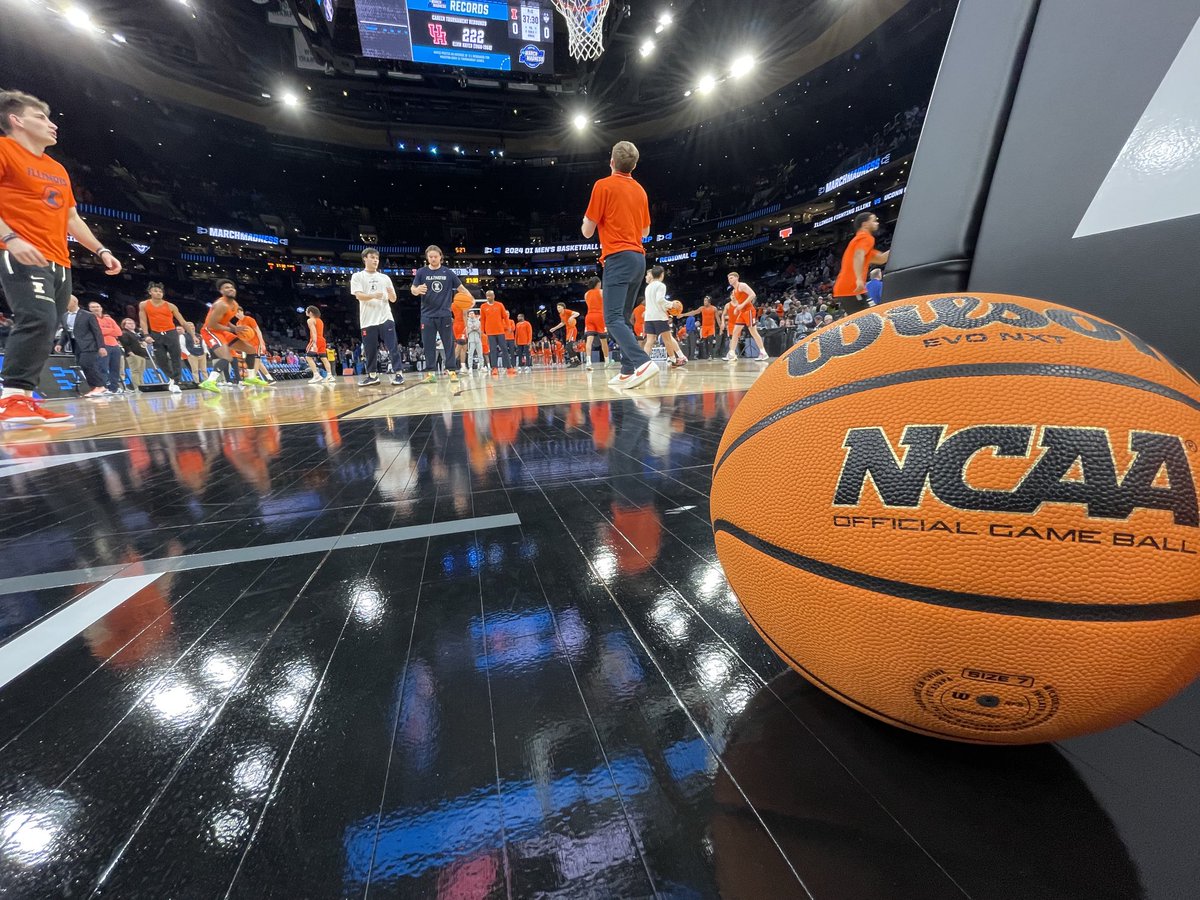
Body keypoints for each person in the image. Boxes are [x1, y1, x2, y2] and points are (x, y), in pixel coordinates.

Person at [0, 90, 121, 423]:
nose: (52, 125)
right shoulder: (4, 150)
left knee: (49, 324)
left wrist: (101, 249)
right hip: (19, 250)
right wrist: (10, 238)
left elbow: (71, 219)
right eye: (40, 117)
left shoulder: (56, 168)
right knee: (35, 318)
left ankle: (25, 397)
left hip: (59, 260)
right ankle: (10, 397)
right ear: (16, 120)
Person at [581, 140, 658, 389]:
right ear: (634, 165)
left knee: (612, 318)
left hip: (617, 257)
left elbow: (587, 231)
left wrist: (588, 219)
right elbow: (645, 230)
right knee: (623, 317)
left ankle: (642, 362)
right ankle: (627, 371)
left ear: (611, 161)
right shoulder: (641, 190)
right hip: (638, 259)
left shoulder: (602, 186)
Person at [198, 281, 270, 393]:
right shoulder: (221, 305)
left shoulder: (234, 305)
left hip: (222, 331)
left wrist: (234, 329)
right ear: (221, 291)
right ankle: (209, 381)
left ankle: (250, 378)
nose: (231, 289)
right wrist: (233, 329)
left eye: (232, 287)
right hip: (210, 331)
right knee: (227, 357)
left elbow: (225, 322)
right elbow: (212, 324)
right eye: (227, 288)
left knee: (251, 350)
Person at [350, 248, 404, 387]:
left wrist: (392, 294)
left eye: (377, 258)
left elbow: (393, 299)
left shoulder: (384, 278)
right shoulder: (358, 276)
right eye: (372, 257)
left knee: (392, 346)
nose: (375, 260)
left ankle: (398, 373)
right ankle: (372, 375)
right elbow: (358, 295)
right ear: (365, 259)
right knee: (370, 349)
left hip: (385, 316)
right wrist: (374, 295)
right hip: (367, 319)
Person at [409, 244, 462, 385]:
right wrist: (417, 289)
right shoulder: (421, 272)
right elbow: (413, 289)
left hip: (444, 314)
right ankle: (431, 373)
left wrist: (471, 299)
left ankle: (451, 371)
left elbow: (461, 287)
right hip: (427, 315)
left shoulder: (448, 273)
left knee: (449, 344)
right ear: (427, 258)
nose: (433, 259)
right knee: (428, 345)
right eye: (430, 257)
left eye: (435, 256)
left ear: (441, 257)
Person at [832, 212, 889, 316]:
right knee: (868, 321)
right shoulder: (866, 237)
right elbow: (858, 256)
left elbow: (881, 259)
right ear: (865, 224)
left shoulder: (860, 242)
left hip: (851, 289)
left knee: (870, 319)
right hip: (851, 288)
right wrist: (858, 279)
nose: (877, 223)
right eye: (874, 220)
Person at [54, 295, 107, 399]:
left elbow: (97, 332)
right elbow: (66, 331)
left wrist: (101, 346)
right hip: (76, 345)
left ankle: (100, 386)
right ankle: (94, 388)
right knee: (83, 366)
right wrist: (60, 343)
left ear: (74, 302)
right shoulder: (64, 316)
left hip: (89, 344)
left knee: (87, 364)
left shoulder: (88, 315)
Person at [138, 282, 186, 393]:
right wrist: (146, 335)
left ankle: (176, 382)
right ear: (150, 292)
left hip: (171, 333)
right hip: (156, 333)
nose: (158, 293)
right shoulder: (144, 304)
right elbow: (143, 320)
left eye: (160, 291)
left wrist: (193, 335)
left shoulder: (170, 305)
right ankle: (172, 378)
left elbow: (182, 321)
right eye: (155, 291)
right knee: (160, 360)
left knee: (176, 358)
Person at [641, 266, 686, 367]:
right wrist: (671, 305)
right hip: (659, 317)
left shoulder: (648, 287)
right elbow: (660, 300)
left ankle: (643, 363)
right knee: (667, 339)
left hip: (649, 317)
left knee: (649, 341)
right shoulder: (661, 285)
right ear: (662, 275)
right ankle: (673, 360)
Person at [723, 272, 769, 362]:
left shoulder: (742, 285)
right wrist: (737, 308)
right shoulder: (734, 291)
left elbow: (753, 295)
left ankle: (763, 353)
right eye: (729, 278)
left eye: (731, 278)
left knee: (753, 332)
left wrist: (742, 305)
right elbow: (740, 301)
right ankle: (731, 353)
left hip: (749, 311)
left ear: (737, 278)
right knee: (735, 332)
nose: (730, 280)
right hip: (742, 312)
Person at [89, 300, 125, 394]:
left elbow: (119, 332)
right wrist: (110, 330)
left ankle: (114, 388)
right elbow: (97, 332)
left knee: (115, 369)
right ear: (89, 309)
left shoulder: (109, 319)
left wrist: (104, 331)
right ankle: (103, 388)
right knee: (102, 368)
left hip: (115, 346)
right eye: (93, 307)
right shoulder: (90, 319)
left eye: (97, 306)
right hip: (102, 346)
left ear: (101, 308)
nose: (96, 308)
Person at [235, 305, 275, 385]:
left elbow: (258, 331)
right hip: (248, 346)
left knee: (256, 360)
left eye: (237, 313)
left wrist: (262, 343)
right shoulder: (238, 323)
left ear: (241, 311)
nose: (236, 315)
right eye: (234, 314)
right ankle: (270, 379)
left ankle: (252, 378)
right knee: (258, 362)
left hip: (256, 343)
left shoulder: (249, 319)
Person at [581, 277, 614, 371]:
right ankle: (607, 361)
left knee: (589, 340)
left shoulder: (586, 294)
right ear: (598, 284)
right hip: (599, 316)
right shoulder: (601, 292)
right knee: (603, 341)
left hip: (589, 316)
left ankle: (588, 362)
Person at [298, 305, 335, 385]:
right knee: (324, 358)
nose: (305, 312)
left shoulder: (310, 320)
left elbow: (314, 332)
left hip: (316, 339)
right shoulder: (320, 320)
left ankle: (316, 375)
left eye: (306, 310)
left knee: (308, 357)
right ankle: (329, 375)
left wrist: (314, 343)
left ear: (310, 312)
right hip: (322, 339)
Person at [480, 290, 513, 376]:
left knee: (504, 349)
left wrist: (508, 326)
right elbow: (483, 319)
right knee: (493, 350)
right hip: (490, 332)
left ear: (494, 296)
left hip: (500, 331)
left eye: (490, 295)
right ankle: (494, 368)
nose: (488, 297)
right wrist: (482, 330)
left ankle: (509, 367)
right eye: (487, 296)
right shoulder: (483, 306)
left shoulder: (499, 305)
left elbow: (505, 317)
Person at [118, 318, 152, 389]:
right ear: (124, 325)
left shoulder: (136, 334)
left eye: (132, 323)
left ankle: (142, 385)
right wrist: (130, 353)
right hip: (133, 354)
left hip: (141, 354)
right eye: (129, 323)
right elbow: (125, 344)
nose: (132, 325)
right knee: (135, 371)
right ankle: (137, 387)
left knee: (141, 372)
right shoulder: (124, 333)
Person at [465, 309, 485, 373]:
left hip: (478, 339)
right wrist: (472, 328)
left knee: (480, 353)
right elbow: (467, 331)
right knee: (470, 354)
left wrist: (476, 329)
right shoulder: (467, 322)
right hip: (471, 340)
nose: (471, 315)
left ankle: (481, 366)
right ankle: (470, 367)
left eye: (472, 314)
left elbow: (480, 330)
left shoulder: (478, 321)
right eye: (470, 314)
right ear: (468, 315)